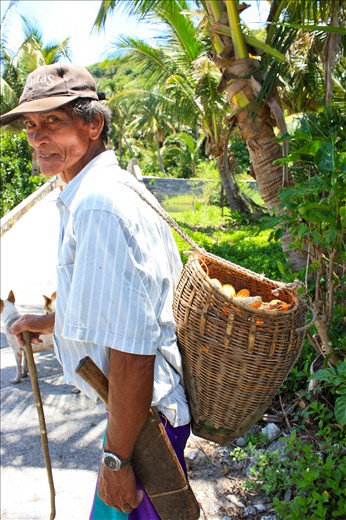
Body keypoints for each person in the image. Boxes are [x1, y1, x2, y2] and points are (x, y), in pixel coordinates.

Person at [1, 62, 191, 519]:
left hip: (143, 423)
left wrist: (116, 461)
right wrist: (51, 321)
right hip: (137, 418)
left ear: (93, 124)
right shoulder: (101, 188)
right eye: (30, 125)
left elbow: (131, 351)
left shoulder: (99, 206)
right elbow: (116, 304)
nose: (36, 137)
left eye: (53, 121)